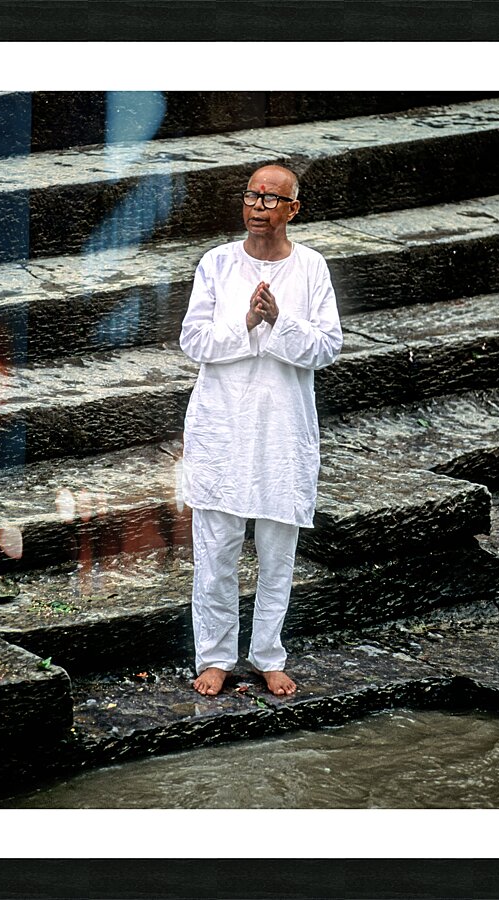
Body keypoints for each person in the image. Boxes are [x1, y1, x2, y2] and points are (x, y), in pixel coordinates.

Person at [179, 164, 343, 697]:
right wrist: (247, 323)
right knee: (217, 550)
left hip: (282, 431)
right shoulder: (217, 264)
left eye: (271, 199)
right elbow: (194, 342)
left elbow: (326, 348)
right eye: (251, 196)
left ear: (293, 209)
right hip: (223, 426)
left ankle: (268, 653)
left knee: (278, 553)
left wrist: (279, 320)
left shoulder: (312, 268)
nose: (257, 206)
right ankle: (216, 656)